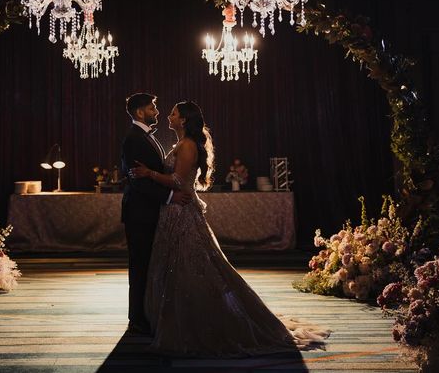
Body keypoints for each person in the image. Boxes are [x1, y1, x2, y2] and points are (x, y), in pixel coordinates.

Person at [130, 101, 328, 356]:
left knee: (195, 265)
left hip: (182, 211)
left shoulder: (188, 145)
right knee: (177, 266)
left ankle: (207, 320)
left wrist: (149, 174)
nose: (168, 116)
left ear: (184, 120)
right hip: (173, 211)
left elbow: (178, 180)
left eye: (173, 113)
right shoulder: (180, 143)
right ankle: (183, 316)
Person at [120, 93, 190, 335]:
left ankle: (147, 312)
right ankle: (137, 318)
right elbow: (137, 180)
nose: (157, 112)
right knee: (139, 265)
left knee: (149, 264)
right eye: (152, 108)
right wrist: (171, 197)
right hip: (139, 213)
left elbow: (152, 173)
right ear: (140, 112)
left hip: (150, 211)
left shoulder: (145, 137)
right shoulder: (133, 138)